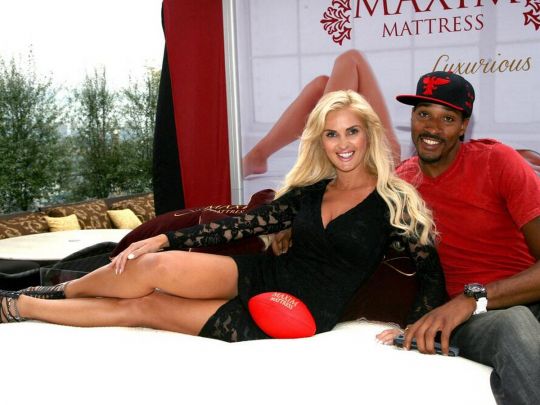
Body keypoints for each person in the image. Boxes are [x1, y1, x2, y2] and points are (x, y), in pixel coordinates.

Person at [0, 90, 446, 343]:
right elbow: (240, 226)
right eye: (332, 134)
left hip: (294, 312)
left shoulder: (394, 203)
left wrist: (413, 329)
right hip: (263, 274)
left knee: (146, 307)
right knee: (151, 265)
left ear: (368, 135)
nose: (342, 143)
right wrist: (166, 239)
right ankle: (56, 289)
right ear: (320, 141)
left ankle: (20, 306)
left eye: (352, 131)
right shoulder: (311, 192)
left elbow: (429, 272)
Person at [372, 71, 540, 405]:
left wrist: (473, 297)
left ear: (464, 126)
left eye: (447, 118)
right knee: (513, 323)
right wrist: (287, 225)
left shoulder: (498, 162)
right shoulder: (401, 185)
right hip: (475, 320)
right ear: (412, 119)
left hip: (518, 297)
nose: (432, 128)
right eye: (423, 114)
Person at [242, 50, 401, 177]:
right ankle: (258, 155)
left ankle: (320, 149)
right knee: (321, 84)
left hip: (384, 158)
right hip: (381, 154)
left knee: (351, 57)